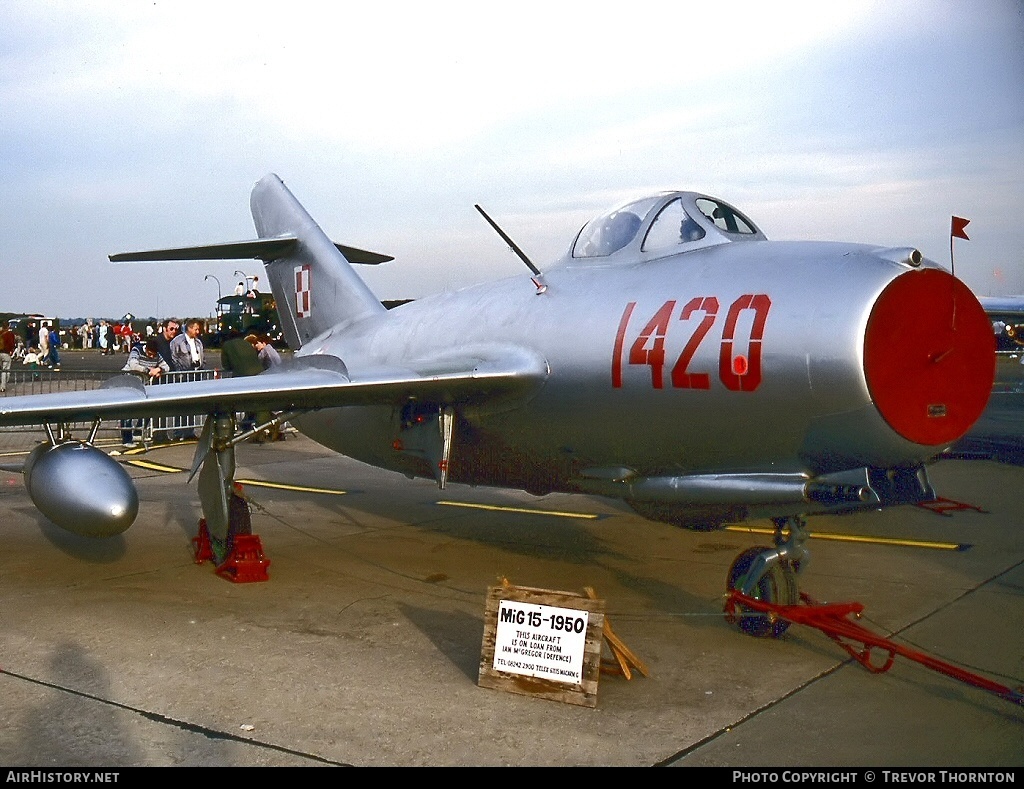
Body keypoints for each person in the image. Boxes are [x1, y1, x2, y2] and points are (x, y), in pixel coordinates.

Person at [120, 338, 170, 447]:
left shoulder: (157, 355)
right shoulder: (136, 350)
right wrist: (148, 370)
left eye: (154, 355)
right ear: (146, 349)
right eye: (150, 354)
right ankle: (126, 439)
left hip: (144, 385)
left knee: (147, 409)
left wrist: (159, 370)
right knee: (127, 411)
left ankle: (138, 433)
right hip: (129, 383)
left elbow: (166, 367)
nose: (152, 357)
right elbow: (133, 365)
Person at [221, 329, 266, 439]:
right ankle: (259, 427)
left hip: (243, 378)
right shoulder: (246, 343)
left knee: (235, 404)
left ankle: (233, 428)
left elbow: (226, 365)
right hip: (258, 374)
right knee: (260, 403)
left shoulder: (227, 345)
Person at [169, 319, 205, 439]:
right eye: (196, 329)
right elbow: (174, 358)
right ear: (189, 328)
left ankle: (190, 431)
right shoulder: (177, 341)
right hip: (183, 376)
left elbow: (202, 358)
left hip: (195, 375)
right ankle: (178, 432)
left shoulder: (198, 342)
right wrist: (180, 372)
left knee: (192, 405)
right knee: (181, 405)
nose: (197, 332)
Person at [0, 321, 16, 393]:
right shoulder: (9, 334)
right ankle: (3, 386)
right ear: (8, 326)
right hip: (6, 353)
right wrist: (11, 351)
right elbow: (12, 344)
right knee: (5, 370)